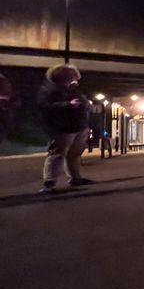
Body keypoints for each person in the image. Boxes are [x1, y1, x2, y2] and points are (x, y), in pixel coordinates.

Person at [38, 64, 93, 193]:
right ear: (63, 76)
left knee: (74, 154)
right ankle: (49, 183)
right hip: (63, 127)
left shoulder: (71, 89)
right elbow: (44, 106)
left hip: (78, 126)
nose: (76, 77)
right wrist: (67, 105)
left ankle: (75, 178)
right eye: (72, 75)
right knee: (57, 154)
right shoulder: (50, 89)